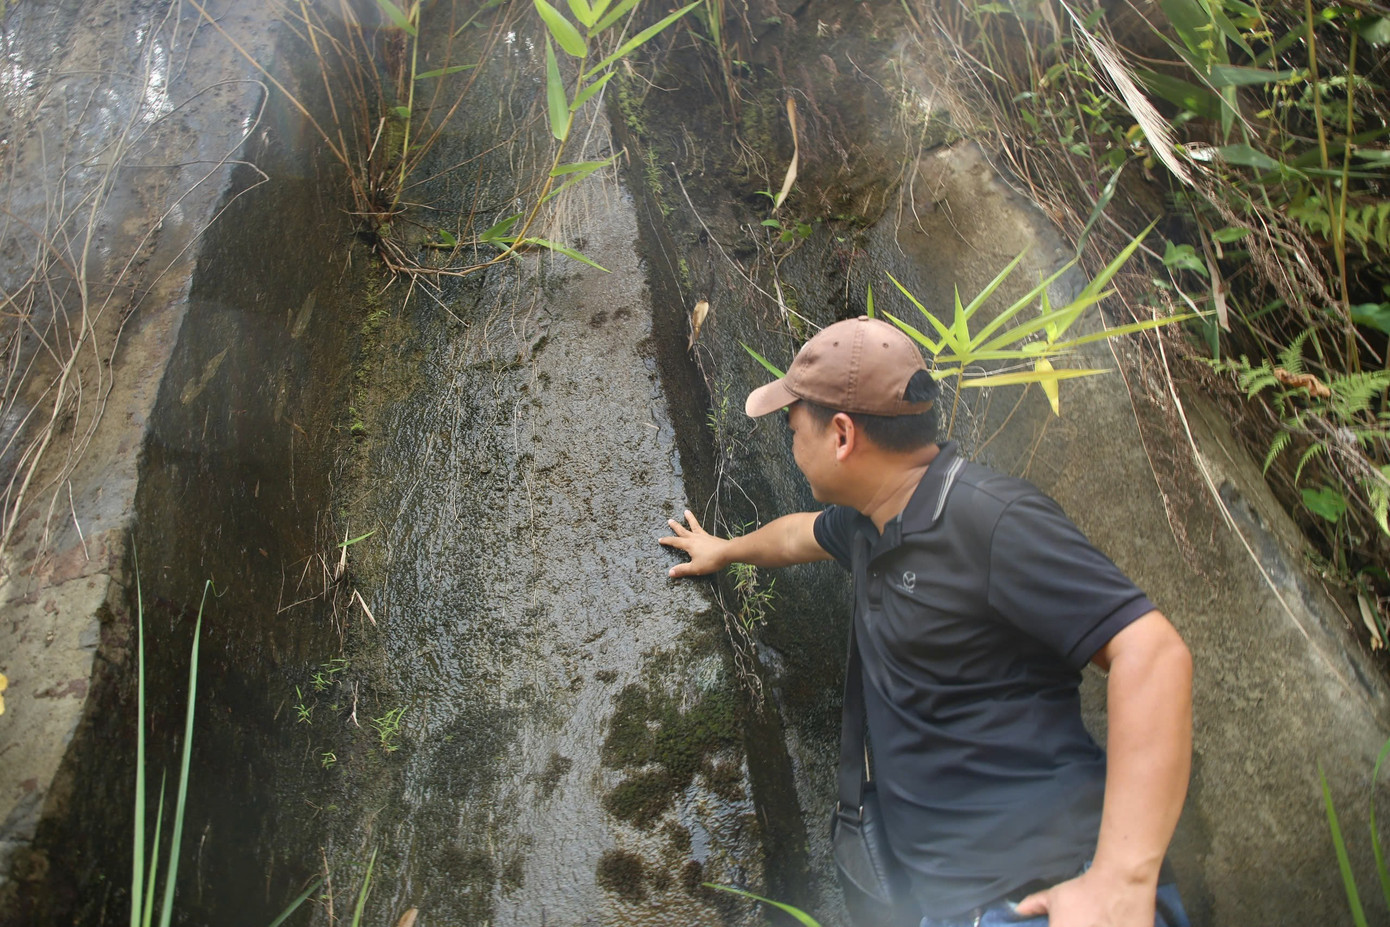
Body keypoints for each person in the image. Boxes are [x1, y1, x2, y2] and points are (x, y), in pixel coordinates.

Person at [659, 316, 1193, 927]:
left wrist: (1120, 880)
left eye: (792, 426)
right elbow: (796, 535)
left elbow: (1152, 652)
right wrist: (723, 550)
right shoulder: (871, 523)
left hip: (1040, 897)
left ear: (841, 435)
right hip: (946, 903)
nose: (790, 444)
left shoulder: (988, 519)